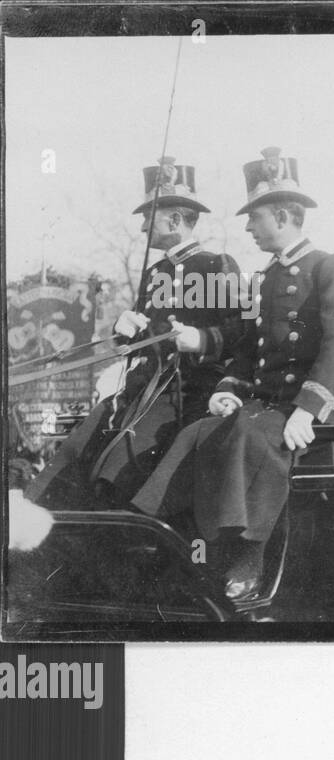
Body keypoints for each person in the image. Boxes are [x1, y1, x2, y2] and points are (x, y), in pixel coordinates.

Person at [132, 147, 334, 601]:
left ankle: (249, 553)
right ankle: (162, 535)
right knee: (197, 433)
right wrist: (225, 389)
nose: (248, 228)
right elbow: (245, 350)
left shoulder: (328, 267)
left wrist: (307, 410)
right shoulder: (262, 280)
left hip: (299, 405)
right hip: (261, 403)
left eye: (253, 218)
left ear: (282, 216)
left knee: (246, 437)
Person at [27, 157, 243, 509]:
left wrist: (199, 340)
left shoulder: (217, 265)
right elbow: (142, 334)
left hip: (183, 394)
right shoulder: (155, 271)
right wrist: (123, 329)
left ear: (174, 220)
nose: (143, 228)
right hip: (139, 390)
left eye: (148, 217)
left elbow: (240, 331)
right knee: (76, 448)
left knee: (119, 465)